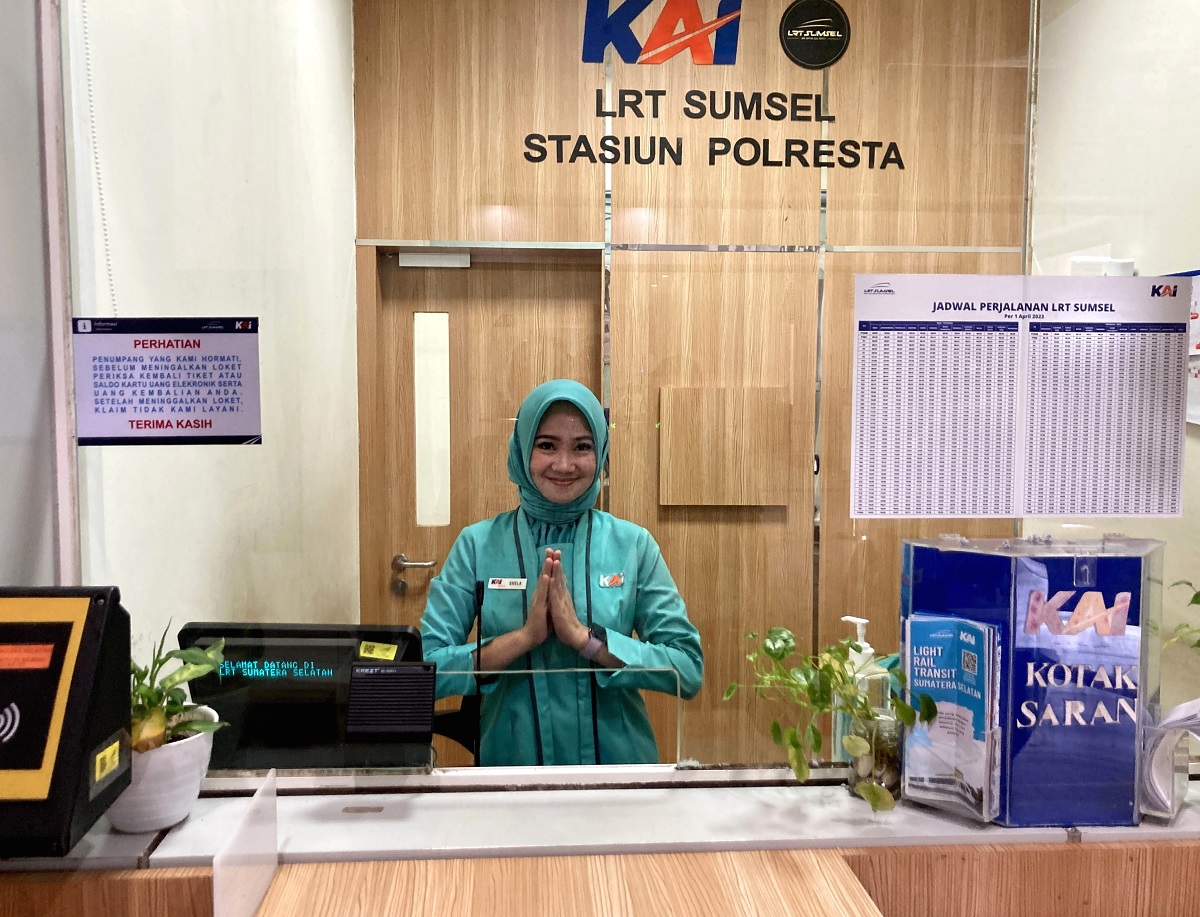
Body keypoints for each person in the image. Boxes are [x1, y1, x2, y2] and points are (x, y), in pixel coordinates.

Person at [420, 379, 704, 766]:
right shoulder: (477, 545)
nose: (565, 464)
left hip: (619, 778)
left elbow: (687, 670)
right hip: (510, 775)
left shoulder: (633, 545)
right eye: (547, 445)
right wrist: (522, 639)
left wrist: (587, 641)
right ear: (522, 450)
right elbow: (423, 677)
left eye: (582, 447)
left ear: (600, 453)